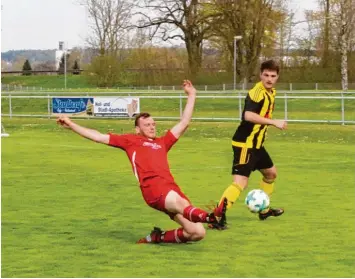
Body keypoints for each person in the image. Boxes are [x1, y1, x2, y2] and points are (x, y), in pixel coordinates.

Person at [57, 80, 227, 244]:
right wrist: (71, 124)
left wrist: (192, 95)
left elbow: (184, 122)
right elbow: (97, 136)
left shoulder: (162, 142)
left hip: (171, 188)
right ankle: (211, 217)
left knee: (197, 233)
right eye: (147, 125)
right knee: (181, 204)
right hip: (154, 190)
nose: (152, 127)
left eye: (153, 124)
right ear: (137, 129)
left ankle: (156, 237)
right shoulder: (131, 141)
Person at [211, 60, 287, 229]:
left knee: (271, 174)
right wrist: (273, 122)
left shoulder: (271, 92)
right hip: (245, 143)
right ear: (260, 75)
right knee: (240, 182)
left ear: (277, 77)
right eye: (266, 75)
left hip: (257, 144)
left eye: (273, 76)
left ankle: (264, 210)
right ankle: (216, 216)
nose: (269, 79)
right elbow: (248, 115)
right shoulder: (257, 93)